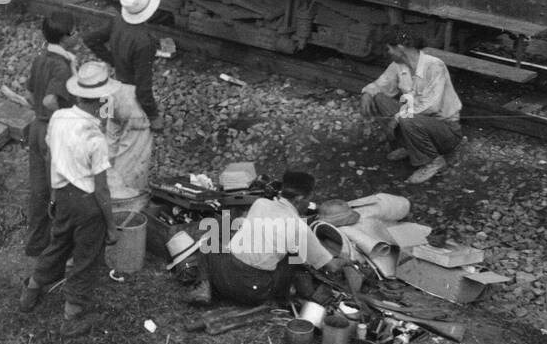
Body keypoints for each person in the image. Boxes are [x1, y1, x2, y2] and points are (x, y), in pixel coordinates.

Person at [18, 61, 122, 338]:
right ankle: (71, 316)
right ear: (101, 99)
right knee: (86, 258)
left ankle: (32, 289)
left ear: (77, 95)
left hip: (63, 195)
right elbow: (101, 189)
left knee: (58, 245)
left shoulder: (59, 118)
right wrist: (111, 226)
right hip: (88, 204)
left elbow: (51, 157)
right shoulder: (95, 138)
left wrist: (54, 194)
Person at [192, 170, 353, 306]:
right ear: (299, 199)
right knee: (295, 255)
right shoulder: (299, 227)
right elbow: (331, 267)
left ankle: (204, 286)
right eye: (308, 199)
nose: (309, 204)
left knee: (210, 241)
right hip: (253, 292)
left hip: (224, 280)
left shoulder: (260, 203)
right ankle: (286, 296)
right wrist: (345, 259)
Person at [359, 29, 463, 185]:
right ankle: (410, 146)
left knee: (407, 118)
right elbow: (381, 85)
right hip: (417, 122)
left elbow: (432, 106)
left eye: (389, 48)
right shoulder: (398, 65)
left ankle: (434, 162)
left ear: (400, 47)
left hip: (446, 131)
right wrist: (367, 93)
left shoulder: (434, 66)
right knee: (379, 98)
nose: (387, 53)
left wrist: (398, 117)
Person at [24, 9, 77, 257]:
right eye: (74, 32)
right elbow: (48, 100)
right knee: (59, 192)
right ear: (66, 38)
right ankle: (58, 249)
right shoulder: (62, 66)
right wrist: (63, 121)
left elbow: (30, 94)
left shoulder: (41, 58)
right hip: (51, 133)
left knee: (38, 191)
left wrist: (40, 113)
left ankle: (36, 244)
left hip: (36, 128)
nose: (77, 36)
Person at [84, 0, 165, 131]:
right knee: (131, 139)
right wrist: (153, 116)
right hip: (130, 96)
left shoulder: (118, 21)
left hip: (111, 88)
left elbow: (90, 39)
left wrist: (113, 60)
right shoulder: (145, 42)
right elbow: (143, 86)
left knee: (110, 131)